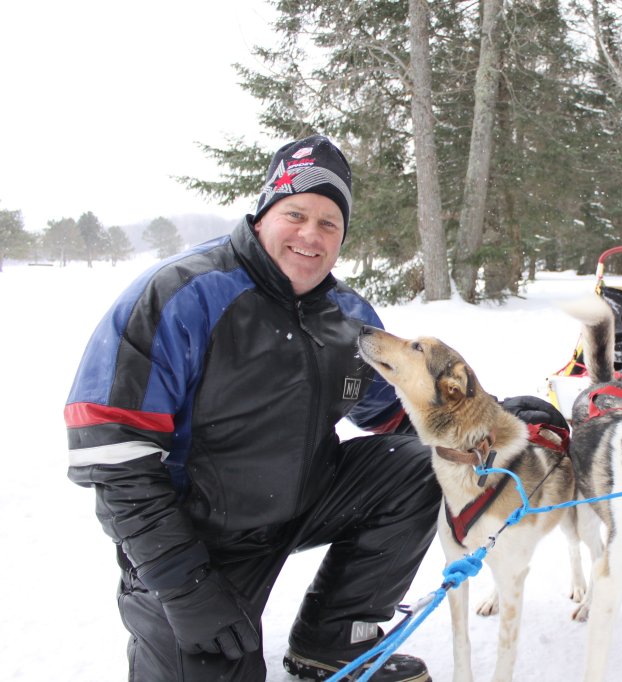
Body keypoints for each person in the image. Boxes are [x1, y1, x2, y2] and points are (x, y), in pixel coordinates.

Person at [65, 134, 444, 681]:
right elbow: (115, 459)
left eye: (329, 223)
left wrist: (499, 428)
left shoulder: (347, 319)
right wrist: (182, 582)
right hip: (197, 536)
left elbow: (403, 416)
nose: (311, 235)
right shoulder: (180, 294)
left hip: (302, 500)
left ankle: (332, 640)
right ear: (264, 212)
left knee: (422, 465)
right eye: (296, 213)